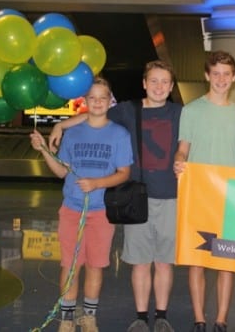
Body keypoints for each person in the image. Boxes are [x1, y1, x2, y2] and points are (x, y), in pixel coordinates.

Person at [49, 60, 182, 332]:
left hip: (171, 196)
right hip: (136, 199)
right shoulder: (126, 110)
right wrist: (62, 125)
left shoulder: (181, 113)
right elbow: (94, 114)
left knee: (164, 262)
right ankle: (142, 316)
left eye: (164, 82)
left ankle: (163, 316)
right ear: (144, 83)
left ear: (171, 86)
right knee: (140, 262)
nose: (158, 87)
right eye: (153, 81)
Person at [31, 77, 133, 332]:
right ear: (84, 101)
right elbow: (61, 172)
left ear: (110, 101)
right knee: (70, 264)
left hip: (101, 212)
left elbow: (124, 173)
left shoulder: (119, 134)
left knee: (96, 264)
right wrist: (44, 150)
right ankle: (66, 317)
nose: (97, 102)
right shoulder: (73, 134)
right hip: (72, 210)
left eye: (102, 97)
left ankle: (89, 316)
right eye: (92, 98)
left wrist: (98, 183)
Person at [173, 50, 235, 332]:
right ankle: (199, 319)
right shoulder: (191, 111)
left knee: (225, 261)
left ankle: (220, 320)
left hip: (229, 198)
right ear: (207, 75)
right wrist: (179, 163)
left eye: (226, 74)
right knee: (198, 260)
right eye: (215, 73)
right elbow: (183, 149)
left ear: (234, 77)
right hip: (199, 195)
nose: (220, 79)